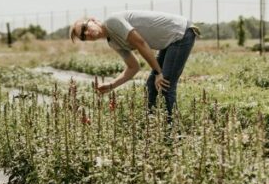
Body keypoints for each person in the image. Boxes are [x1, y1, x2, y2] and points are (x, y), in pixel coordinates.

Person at [70, 10, 198, 123]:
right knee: (151, 86)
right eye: (83, 36)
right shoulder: (113, 42)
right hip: (169, 41)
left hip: (180, 33)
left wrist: (159, 73)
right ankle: (152, 129)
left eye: (85, 27)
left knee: (165, 85)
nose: (87, 33)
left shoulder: (112, 22)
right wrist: (111, 85)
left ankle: (173, 135)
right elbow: (133, 67)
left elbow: (140, 43)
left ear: (93, 20)